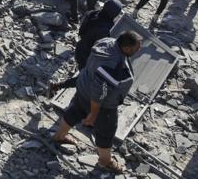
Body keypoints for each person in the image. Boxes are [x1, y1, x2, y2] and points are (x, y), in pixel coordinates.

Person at [52, 31, 142, 173]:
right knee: (106, 132)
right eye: (137, 48)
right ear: (126, 48)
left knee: (75, 111)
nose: (139, 50)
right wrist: (93, 114)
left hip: (83, 88)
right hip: (102, 106)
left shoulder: (106, 41)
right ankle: (105, 161)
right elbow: (100, 91)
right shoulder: (113, 65)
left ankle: (59, 136)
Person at [47, 0, 123, 97]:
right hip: (87, 56)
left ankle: (61, 88)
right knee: (87, 78)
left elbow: (82, 31)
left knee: (84, 75)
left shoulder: (93, 14)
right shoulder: (104, 30)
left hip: (81, 48)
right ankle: (56, 87)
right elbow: (101, 49)